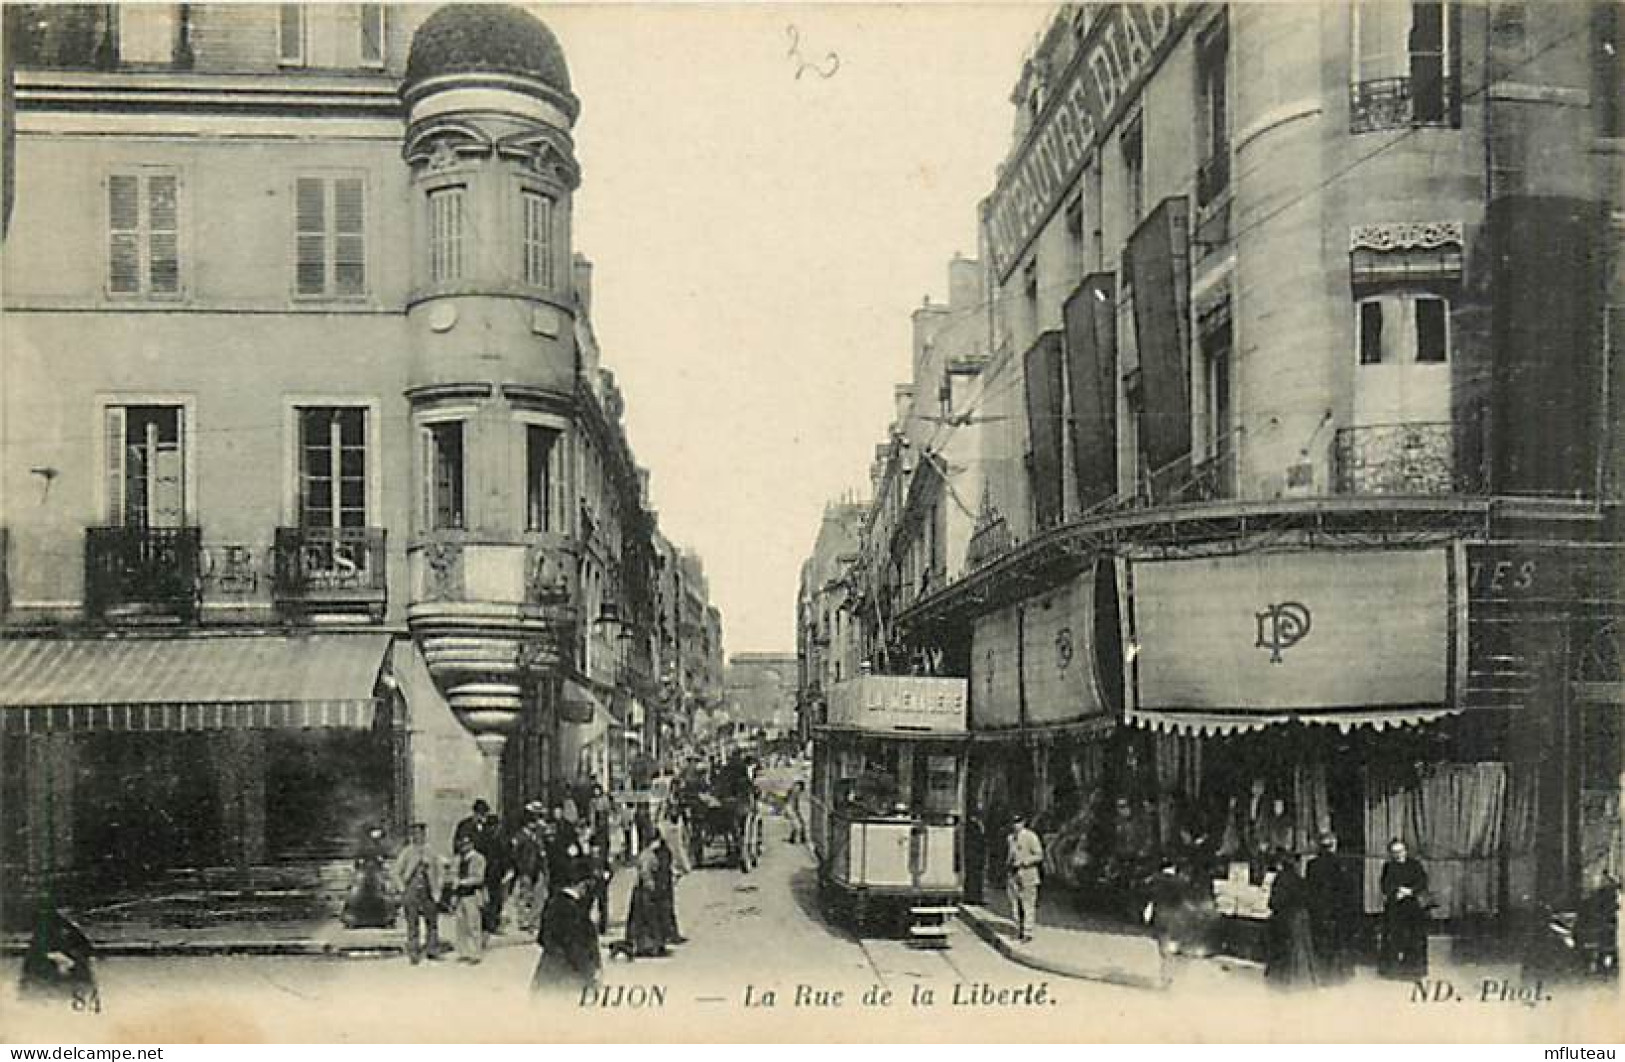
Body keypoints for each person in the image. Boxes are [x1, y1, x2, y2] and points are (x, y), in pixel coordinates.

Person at [532, 861, 603, 997]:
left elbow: (541, 938)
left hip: (548, 968)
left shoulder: (553, 902)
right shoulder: (574, 910)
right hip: (569, 974)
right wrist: (590, 972)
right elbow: (576, 947)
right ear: (583, 884)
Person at [1304, 831, 1355, 983]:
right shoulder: (1341, 864)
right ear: (1334, 846)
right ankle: (1337, 976)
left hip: (1319, 910)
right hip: (1337, 909)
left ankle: (1321, 975)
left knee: (1320, 942)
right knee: (1337, 943)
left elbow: (1309, 888)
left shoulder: (1312, 865)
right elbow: (1347, 889)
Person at [391, 822, 444, 964]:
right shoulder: (407, 852)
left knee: (432, 921)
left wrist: (438, 889)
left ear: (424, 835)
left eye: (420, 834)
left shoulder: (431, 852)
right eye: (414, 834)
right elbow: (395, 872)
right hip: (412, 889)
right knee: (412, 922)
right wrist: (402, 888)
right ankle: (414, 951)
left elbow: (440, 872)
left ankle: (432, 949)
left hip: (428, 889)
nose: (417, 837)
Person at [1378, 837, 1430, 978]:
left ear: (1405, 851)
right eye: (1394, 852)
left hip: (1412, 907)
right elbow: (1384, 885)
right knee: (1393, 938)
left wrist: (1410, 891)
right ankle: (1391, 970)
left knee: (1414, 938)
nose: (1398, 855)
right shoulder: (1388, 866)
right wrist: (1396, 892)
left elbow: (1422, 882)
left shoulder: (1415, 865)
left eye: (1400, 851)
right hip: (1395, 907)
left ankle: (1413, 970)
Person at [1265, 849, 1318, 988]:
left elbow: (1274, 902)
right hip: (1299, 919)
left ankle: (1281, 980)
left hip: (1284, 920)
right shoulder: (1299, 879)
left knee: (1283, 952)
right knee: (1300, 952)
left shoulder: (1280, 879)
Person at [623, 837, 669, 958]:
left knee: (644, 919)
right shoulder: (647, 855)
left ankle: (647, 945)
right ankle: (648, 946)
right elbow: (645, 872)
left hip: (643, 890)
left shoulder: (647, 854)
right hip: (645, 891)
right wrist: (650, 884)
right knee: (648, 919)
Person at [1006, 813, 1044, 943]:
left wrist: (1024, 862)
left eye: (1018, 822)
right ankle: (1018, 930)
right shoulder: (1010, 838)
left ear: (1024, 823)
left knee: (1028, 904)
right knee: (1015, 904)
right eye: (1014, 823)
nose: (1016, 825)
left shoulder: (1031, 837)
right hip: (1013, 875)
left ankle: (1027, 932)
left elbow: (1039, 855)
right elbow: (1009, 856)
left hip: (1028, 874)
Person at [451, 832, 488, 964]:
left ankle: (476, 954)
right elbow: (453, 873)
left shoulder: (479, 859)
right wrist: (454, 888)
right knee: (461, 925)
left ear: (472, 844)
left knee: (474, 925)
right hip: (460, 895)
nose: (463, 847)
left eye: (467, 844)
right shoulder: (457, 859)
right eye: (462, 844)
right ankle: (463, 952)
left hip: (473, 894)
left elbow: (479, 878)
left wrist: (462, 882)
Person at [787, 780, 807, 844]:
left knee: (799, 824)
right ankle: (796, 839)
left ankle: (796, 838)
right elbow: (793, 802)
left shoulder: (794, 790)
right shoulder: (796, 791)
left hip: (792, 809)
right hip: (792, 809)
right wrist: (795, 811)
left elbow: (794, 802)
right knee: (798, 825)